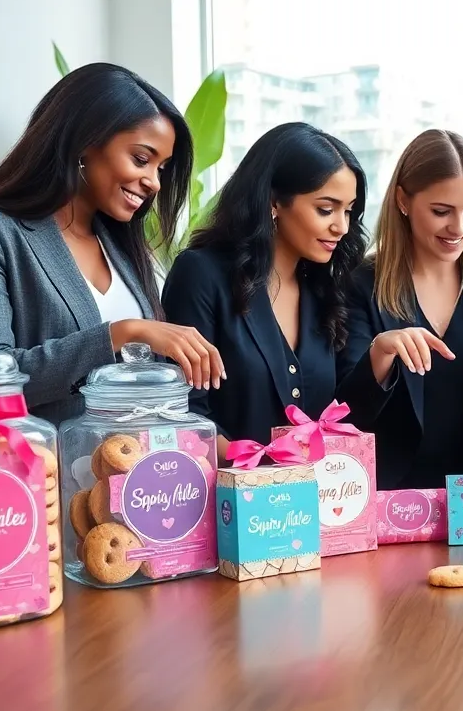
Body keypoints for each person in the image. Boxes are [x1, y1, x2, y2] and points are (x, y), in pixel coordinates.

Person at [0, 63, 224, 428]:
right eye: (141, 159)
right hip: (44, 474)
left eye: (161, 168)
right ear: (85, 141)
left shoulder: (121, 246)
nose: (154, 183)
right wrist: (123, 332)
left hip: (138, 474)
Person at [162, 123, 383, 461]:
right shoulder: (200, 274)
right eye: (326, 209)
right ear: (273, 202)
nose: (342, 226)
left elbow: (340, 413)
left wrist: (380, 357)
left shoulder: (325, 288)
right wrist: (262, 474)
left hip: (313, 500)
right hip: (225, 501)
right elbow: (186, 415)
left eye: (349, 210)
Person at [338, 129, 463, 490]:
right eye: (441, 211)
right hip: (391, 498)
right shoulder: (360, 282)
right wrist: (381, 351)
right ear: (403, 201)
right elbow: (347, 411)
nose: (458, 228)